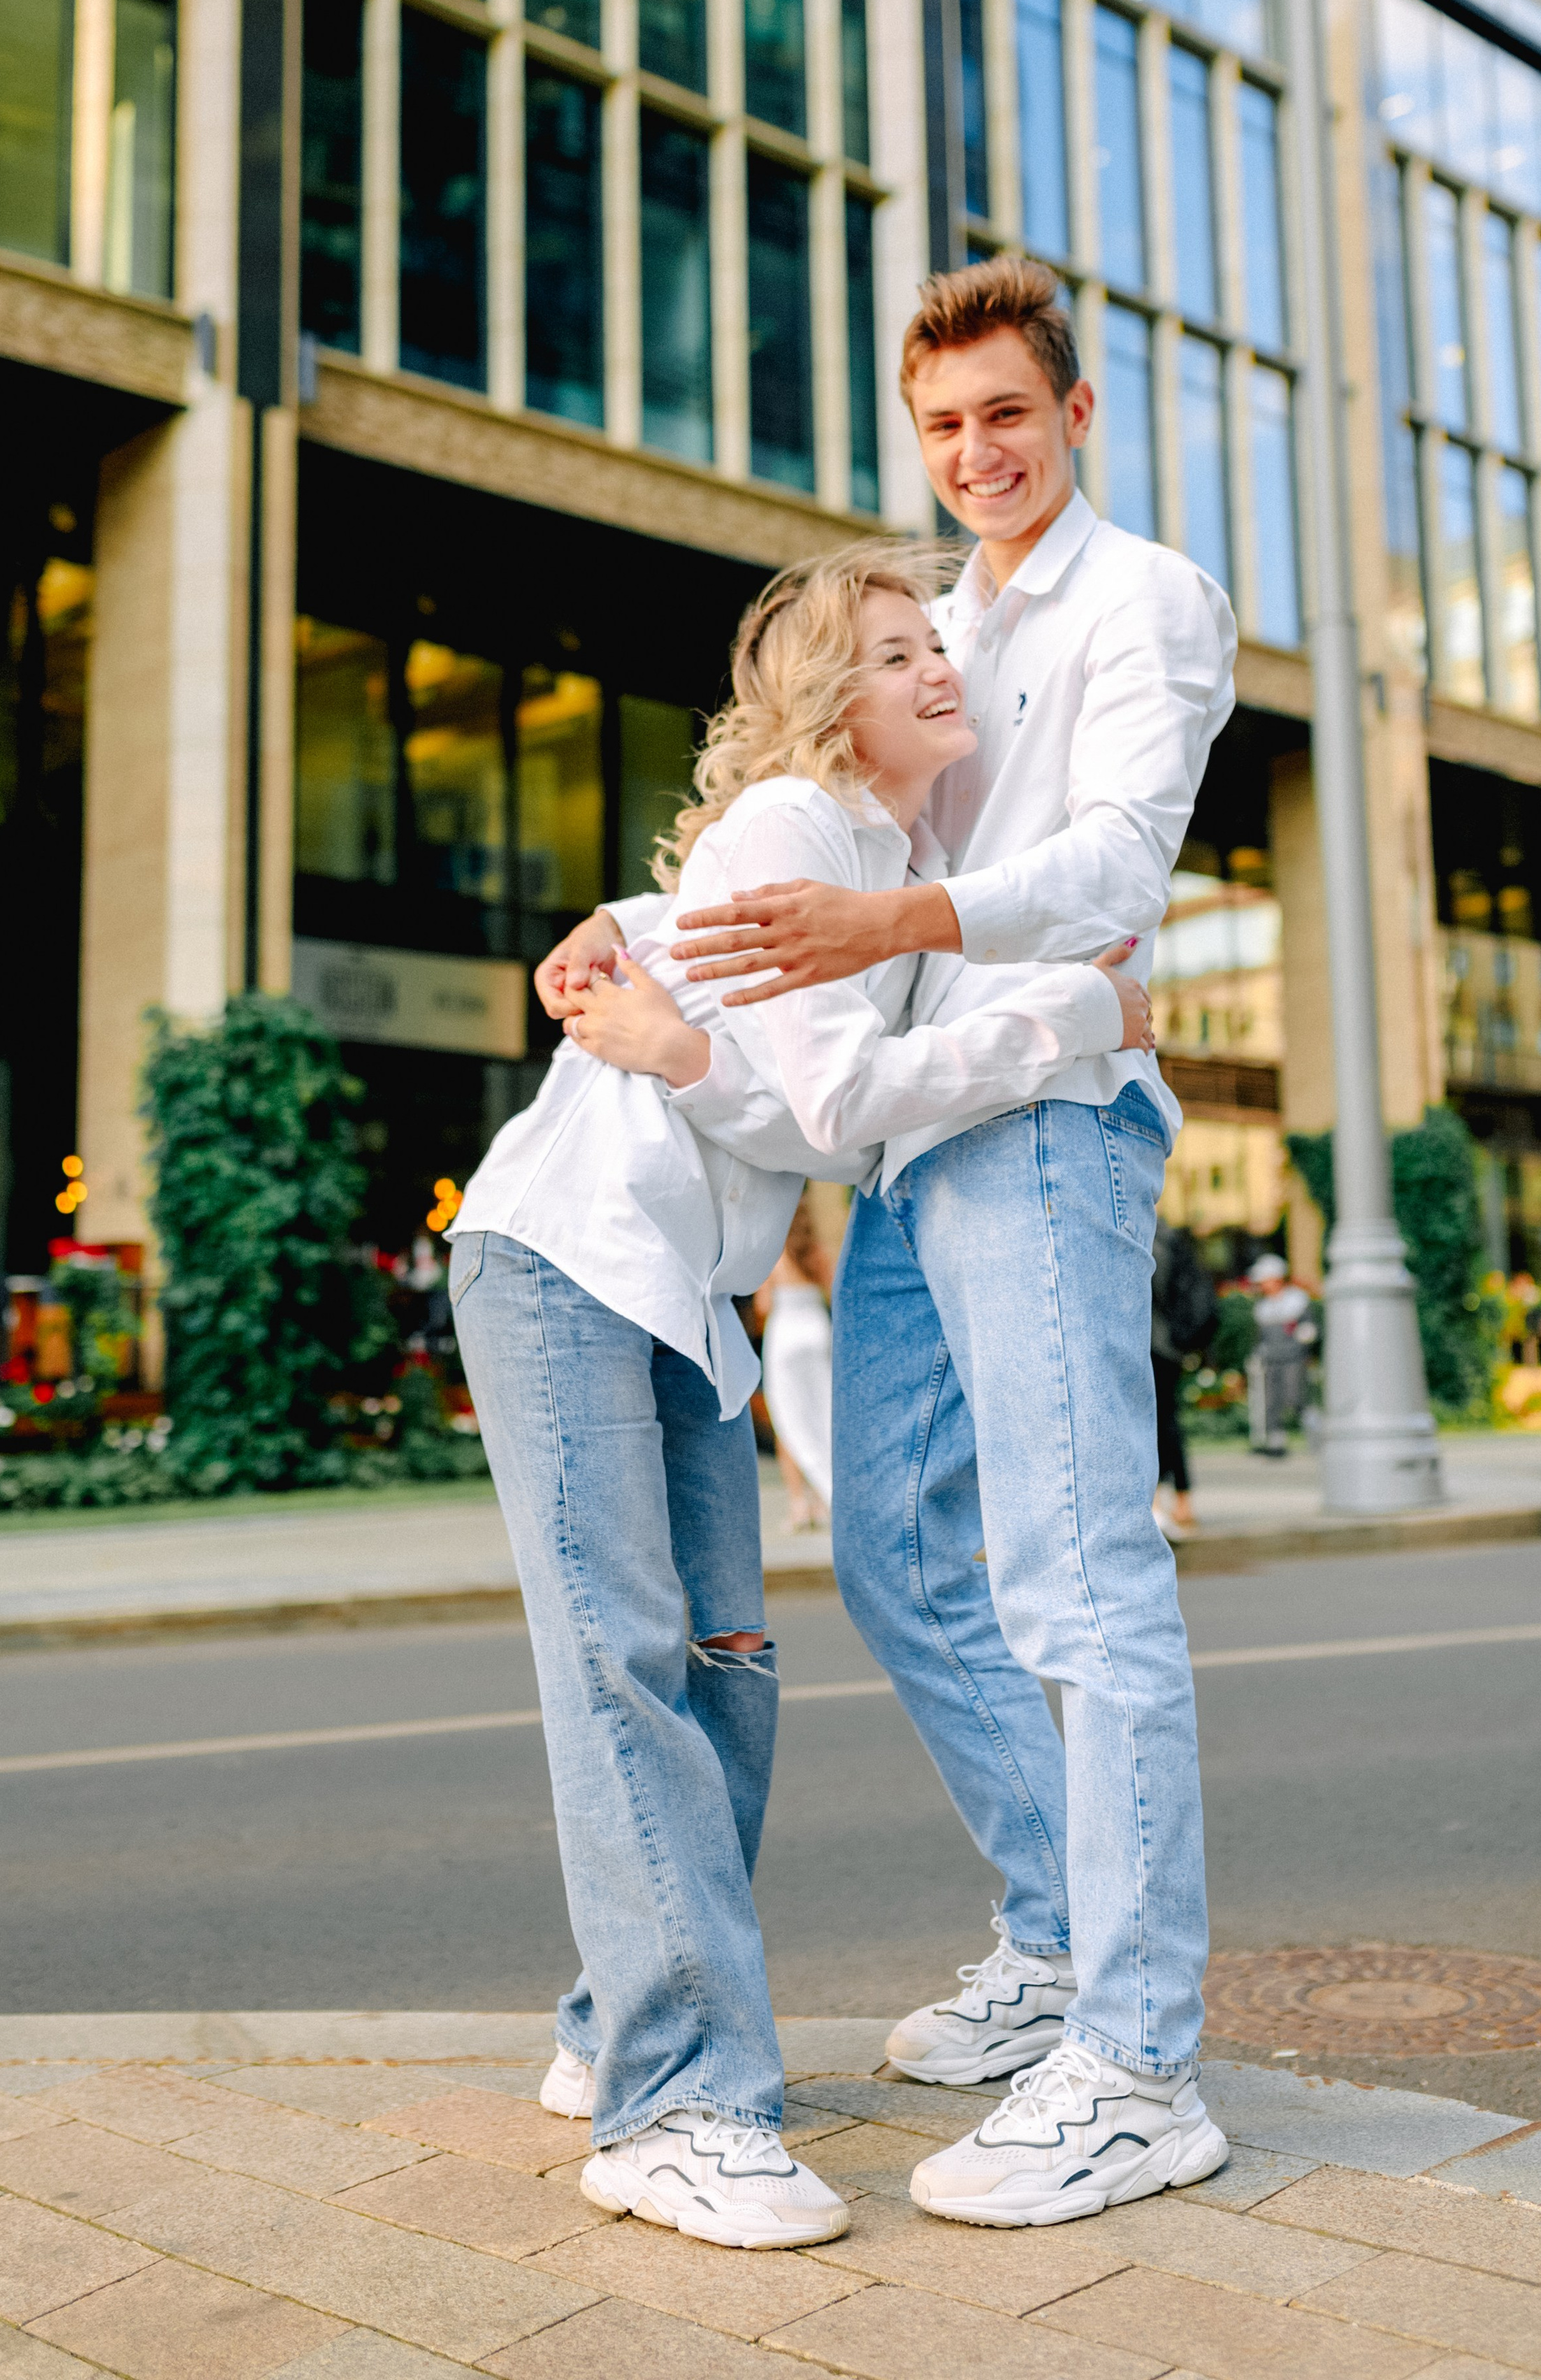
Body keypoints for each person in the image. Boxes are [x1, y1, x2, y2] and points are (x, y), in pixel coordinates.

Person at [544, 254, 1239, 2228]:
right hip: (920, 1159)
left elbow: (1114, 864)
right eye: (942, 427)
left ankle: (1136, 2061)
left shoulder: (1145, 601)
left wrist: (908, 939)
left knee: (1080, 1582)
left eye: (1007, 414)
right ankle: (1053, 1942)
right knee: (896, 1553)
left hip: (1043, 1122)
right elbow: (815, 816)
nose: (976, 454)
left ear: (1074, 414)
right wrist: (631, 930)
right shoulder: (938, 621)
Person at [449, 538, 1152, 2250]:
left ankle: (611, 2015)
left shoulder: (884, 861)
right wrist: (1075, 1012)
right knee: (628, 1662)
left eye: (942, 647)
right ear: (832, 693)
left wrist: (650, 979)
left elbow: (741, 1027)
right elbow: (832, 1108)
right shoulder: (798, 829)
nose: (938, 673)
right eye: (898, 650)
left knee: (726, 1677)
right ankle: (675, 2101)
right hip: (564, 1266)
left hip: (685, 1301)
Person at [755, 1197, 834, 1527]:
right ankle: (825, 1499)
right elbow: (833, 1293)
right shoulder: (818, 1252)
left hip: (786, 1332)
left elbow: (762, 1306)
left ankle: (799, 1505)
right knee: (821, 1414)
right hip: (816, 1328)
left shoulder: (773, 1256)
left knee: (788, 1417)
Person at [1151, 1216, 1220, 1537]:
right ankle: (1182, 1503)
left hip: (1149, 1345)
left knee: (1150, 1423)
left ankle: (1156, 1505)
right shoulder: (1173, 1239)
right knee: (1168, 1421)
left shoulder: (1145, 1239)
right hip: (1169, 1348)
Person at [1246, 1250, 1317, 1455]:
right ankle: (1276, 1443)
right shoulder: (1263, 1307)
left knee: (1297, 1398)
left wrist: (1304, 1338)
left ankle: (1316, 1438)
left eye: (1265, 1280)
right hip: (1271, 1360)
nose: (1262, 1285)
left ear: (1276, 1279)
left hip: (1293, 1359)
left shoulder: (1297, 1301)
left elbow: (1309, 1329)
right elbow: (1261, 1337)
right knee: (1271, 1402)